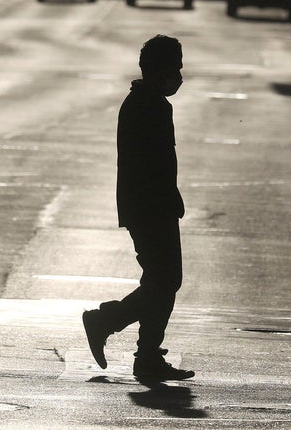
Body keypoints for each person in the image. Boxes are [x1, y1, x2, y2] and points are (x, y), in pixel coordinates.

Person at [83, 34, 194, 382]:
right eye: (174, 67)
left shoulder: (146, 102)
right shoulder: (148, 106)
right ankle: (109, 324)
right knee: (165, 280)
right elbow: (151, 164)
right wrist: (166, 201)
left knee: (161, 280)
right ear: (158, 69)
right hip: (150, 209)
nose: (178, 74)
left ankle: (145, 352)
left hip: (150, 206)